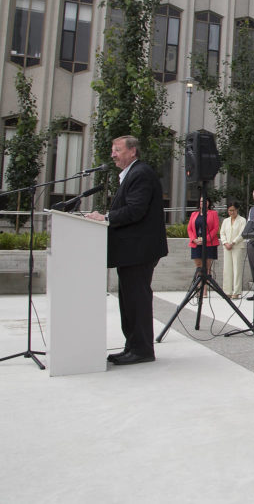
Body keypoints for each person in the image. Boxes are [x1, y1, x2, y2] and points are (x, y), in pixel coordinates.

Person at [87, 135, 168, 365]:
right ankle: (132, 345)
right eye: (112, 149)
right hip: (131, 251)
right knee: (129, 299)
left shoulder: (140, 173)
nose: (113, 154)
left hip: (139, 250)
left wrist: (106, 217)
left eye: (118, 149)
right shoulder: (132, 174)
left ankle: (142, 349)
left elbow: (136, 210)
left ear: (132, 151)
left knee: (136, 299)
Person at [188, 196, 219, 284]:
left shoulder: (213, 213)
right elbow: (189, 228)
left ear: (209, 203)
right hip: (196, 243)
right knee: (199, 266)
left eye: (205, 201)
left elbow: (215, 228)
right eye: (201, 201)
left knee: (207, 267)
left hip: (209, 244)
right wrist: (194, 239)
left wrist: (206, 239)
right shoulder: (194, 214)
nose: (203, 203)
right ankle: (198, 288)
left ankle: (204, 289)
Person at [219, 201, 247, 298]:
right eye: (229, 210)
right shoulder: (225, 221)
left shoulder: (242, 220)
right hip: (227, 247)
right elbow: (222, 233)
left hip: (237, 246)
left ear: (237, 210)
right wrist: (225, 242)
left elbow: (242, 234)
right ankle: (227, 291)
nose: (231, 212)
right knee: (227, 269)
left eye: (233, 210)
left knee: (237, 269)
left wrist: (233, 242)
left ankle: (236, 291)